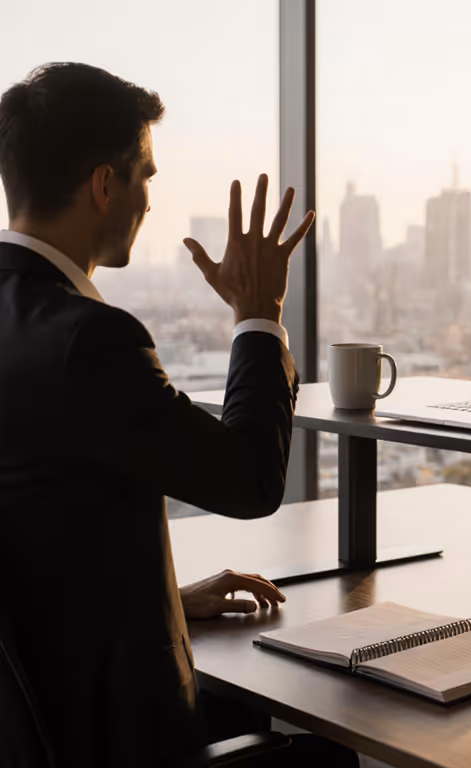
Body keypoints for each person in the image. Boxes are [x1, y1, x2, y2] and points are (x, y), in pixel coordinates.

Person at [0, 64, 356, 767]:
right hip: (117, 739)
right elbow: (250, 480)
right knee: (329, 755)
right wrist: (258, 315)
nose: (150, 201)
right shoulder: (89, 340)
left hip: (40, 726)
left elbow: (35, 525)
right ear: (106, 185)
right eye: (147, 177)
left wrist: (165, 598)